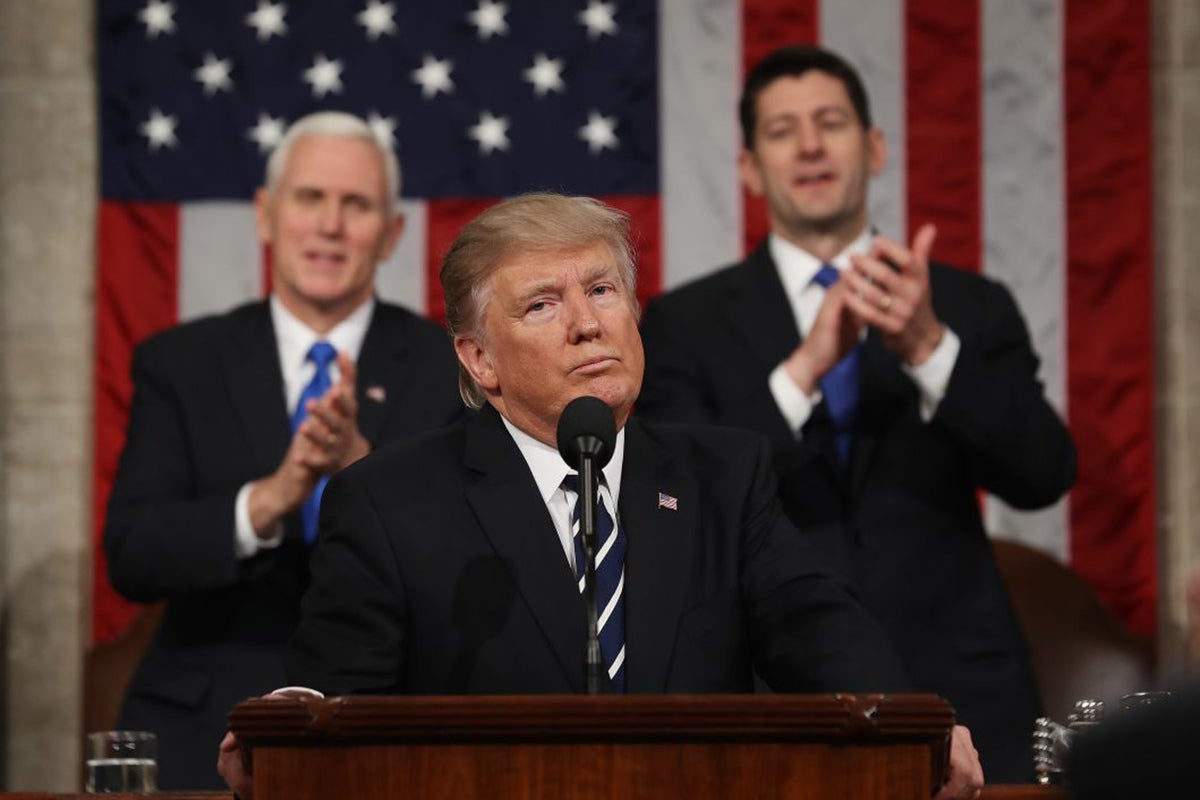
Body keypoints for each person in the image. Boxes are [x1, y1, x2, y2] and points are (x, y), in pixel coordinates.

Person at [218, 193, 983, 800]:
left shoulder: (722, 475)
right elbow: (329, 691)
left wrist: (909, 722)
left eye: (603, 289)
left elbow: (817, 627)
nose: (588, 324)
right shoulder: (391, 502)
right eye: (543, 304)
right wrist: (287, 723)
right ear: (479, 358)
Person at [636, 45, 1077, 783]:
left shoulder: (969, 307)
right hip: (776, 693)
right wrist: (804, 369)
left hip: (965, 689)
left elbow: (1043, 472)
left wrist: (929, 347)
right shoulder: (684, 324)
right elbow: (683, 508)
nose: (809, 145)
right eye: (782, 131)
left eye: (830, 122)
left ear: (873, 148)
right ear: (748, 168)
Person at [103, 112, 464, 789]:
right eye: (310, 198)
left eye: (355, 205)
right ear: (267, 216)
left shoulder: (454, 369)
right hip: (204, 724)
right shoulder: (181, 363)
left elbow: (477, 567)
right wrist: (272, 498)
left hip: (392, 727)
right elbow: (133, 553)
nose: (330, 225)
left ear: (391, 234)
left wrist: (364, 473)